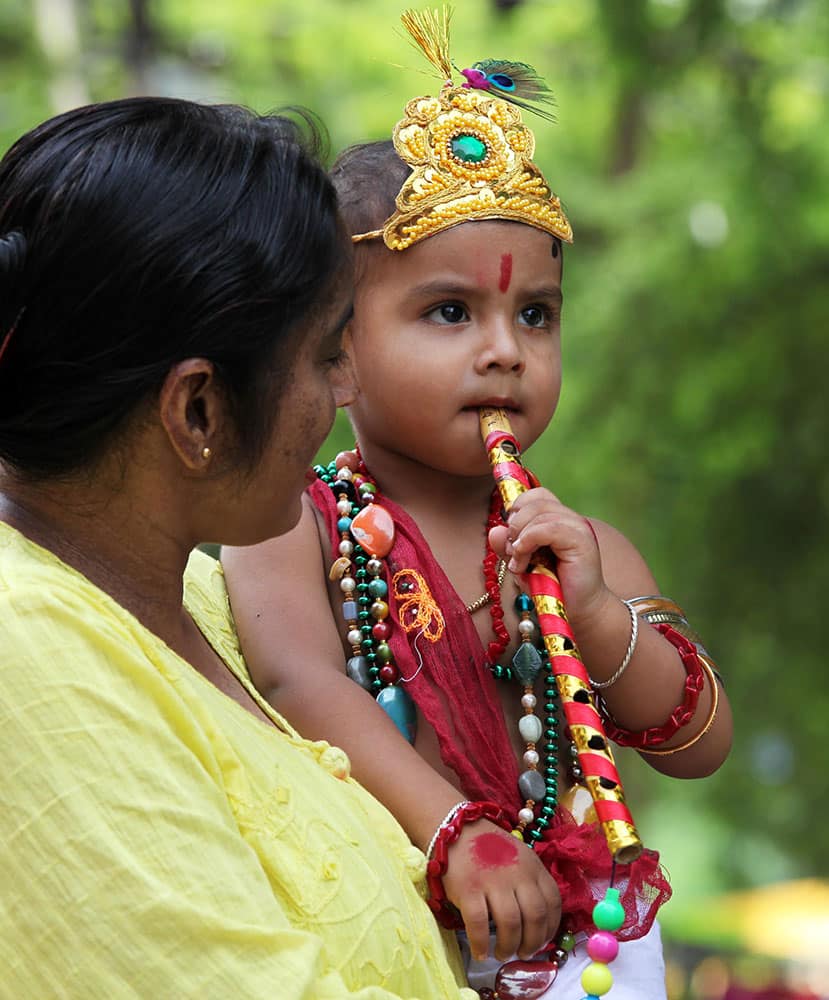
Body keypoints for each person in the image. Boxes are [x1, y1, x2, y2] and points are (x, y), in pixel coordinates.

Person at [223, 11, 733, 998]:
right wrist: (456, 834)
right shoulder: (295, 521)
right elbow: (299, 685)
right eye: (449, 311)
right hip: (407, 937)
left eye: (535, 314)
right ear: (335, 346)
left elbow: (700, 742)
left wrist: (591, 614)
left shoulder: (584, 547)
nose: (505, 349)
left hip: (599, 955)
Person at [0, 95, 479, 999]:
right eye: (326, 354)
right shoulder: (24, 651)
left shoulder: (219, 607)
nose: (347, 391)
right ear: (198, 410)